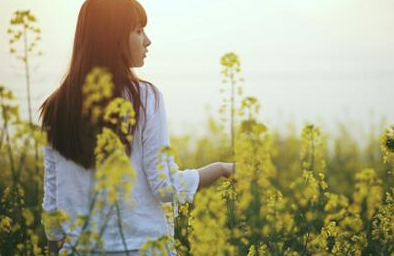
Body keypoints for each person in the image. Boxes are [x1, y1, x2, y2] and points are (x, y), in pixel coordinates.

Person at [39, 0, 235, 255]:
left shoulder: (57, 107)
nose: (148, 41)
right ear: (113, 37)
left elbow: (52, 204)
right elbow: (165, 186)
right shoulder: (145, 98)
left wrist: (55, 248)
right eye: (139, 30)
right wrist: (221, 169)